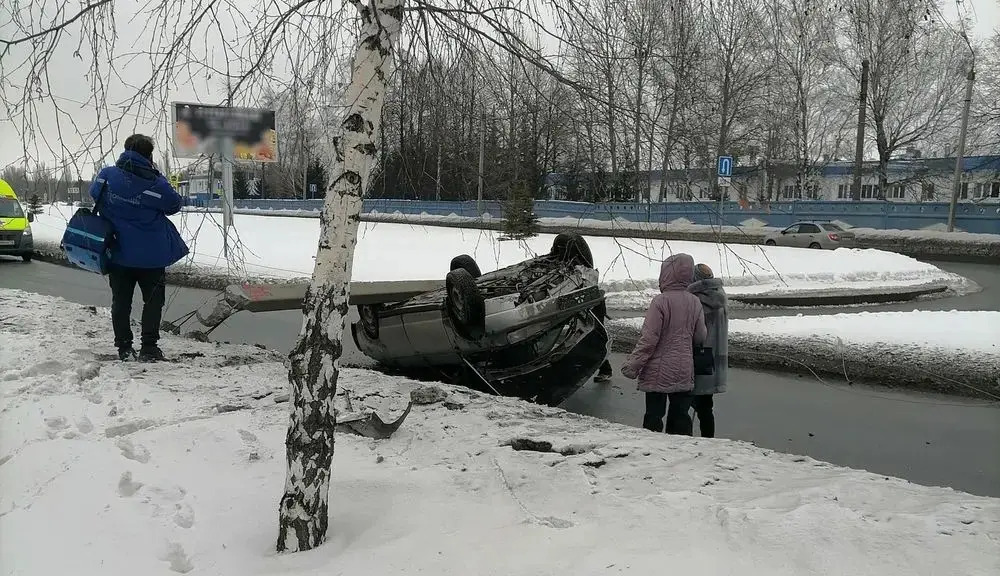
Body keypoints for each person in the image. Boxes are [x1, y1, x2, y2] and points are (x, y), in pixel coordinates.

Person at [90, 134, 190, 362]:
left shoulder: (107, 176)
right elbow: (174, 204)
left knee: (121, 302)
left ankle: (124, 348)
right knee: (153, 302)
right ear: (149, 155)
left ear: (126, 150)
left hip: (118, 253)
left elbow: (94, 194)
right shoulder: (156, 183)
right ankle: (149, 348)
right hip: (152, 257)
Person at [621, 253, 707, 435]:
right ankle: (680, 454)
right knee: (681, 415)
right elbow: (700, 337)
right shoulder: (695, 301)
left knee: (654, 416)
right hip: (684, 368)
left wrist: (632, 366)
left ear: (666, 273)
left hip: (658, 370)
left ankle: (651, 452)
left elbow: (649, 339)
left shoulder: (660, 301)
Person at [687, 263, 729, 438]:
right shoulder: (720, 295)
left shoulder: (697, 300)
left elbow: (695, 331)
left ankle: (686, 438)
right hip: (715, 355)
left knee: (686, 401)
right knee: (705, 405)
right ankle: (708, 439)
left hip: (699, 354)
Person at [593, 299, 614, 383]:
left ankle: (605, 371)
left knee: (595, 345)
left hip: (595, 327)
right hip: (594, 322)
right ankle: (605, 370)